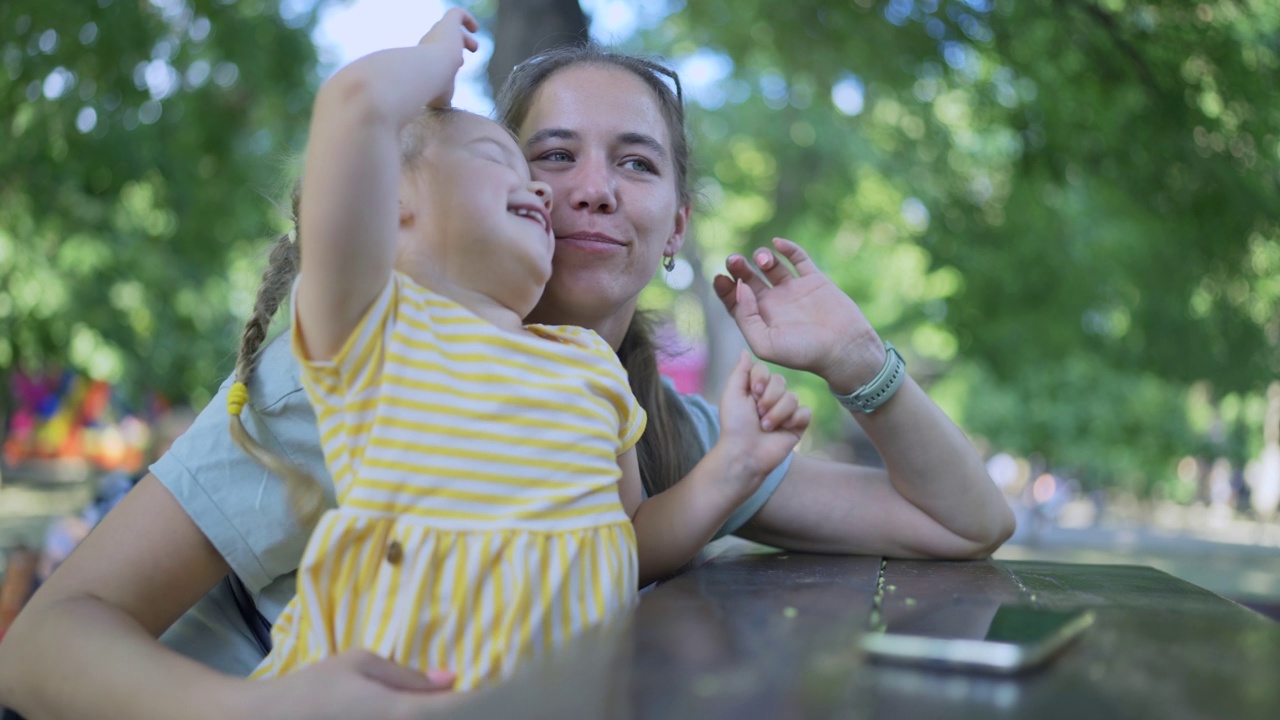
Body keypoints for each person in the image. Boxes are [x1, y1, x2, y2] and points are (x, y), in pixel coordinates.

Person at [0, 13, 1015, 719]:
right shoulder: (358, 374)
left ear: (676, 227)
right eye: (545, 156)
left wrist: (854, 362)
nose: (586, 190)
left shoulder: (662, 428)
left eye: (635, 162)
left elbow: (962, 520)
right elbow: (48, 645)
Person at [237, 11, 806, 690]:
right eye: (502, 158)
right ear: (394, 207)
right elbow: (352, 107)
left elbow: (626, 542)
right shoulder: (373, 333)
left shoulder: (590, 367)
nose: (545, 189)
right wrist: (430, 65)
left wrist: (735, 464)